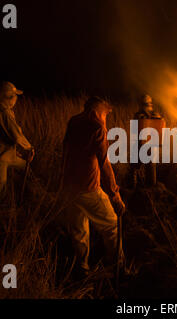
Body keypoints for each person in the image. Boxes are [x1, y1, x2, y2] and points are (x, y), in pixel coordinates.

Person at [61, 96, 125, 276]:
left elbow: (65, 149)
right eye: (105, 114)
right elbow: (104, 162)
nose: (106, 118)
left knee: (79, 231)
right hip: (88, 187)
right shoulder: (97, 127)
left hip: (68, 187)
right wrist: (115, 195)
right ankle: (117, 267)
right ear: (97, 112)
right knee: (112, 225)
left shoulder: (74, 121)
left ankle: (82, 269)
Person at [131, 94, 163, 188]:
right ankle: (140, 187)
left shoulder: (142, 115)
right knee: (142, 167)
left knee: (139, 167)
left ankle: (143, 188)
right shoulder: (155, 115)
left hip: (144, 145)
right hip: (146, 145)